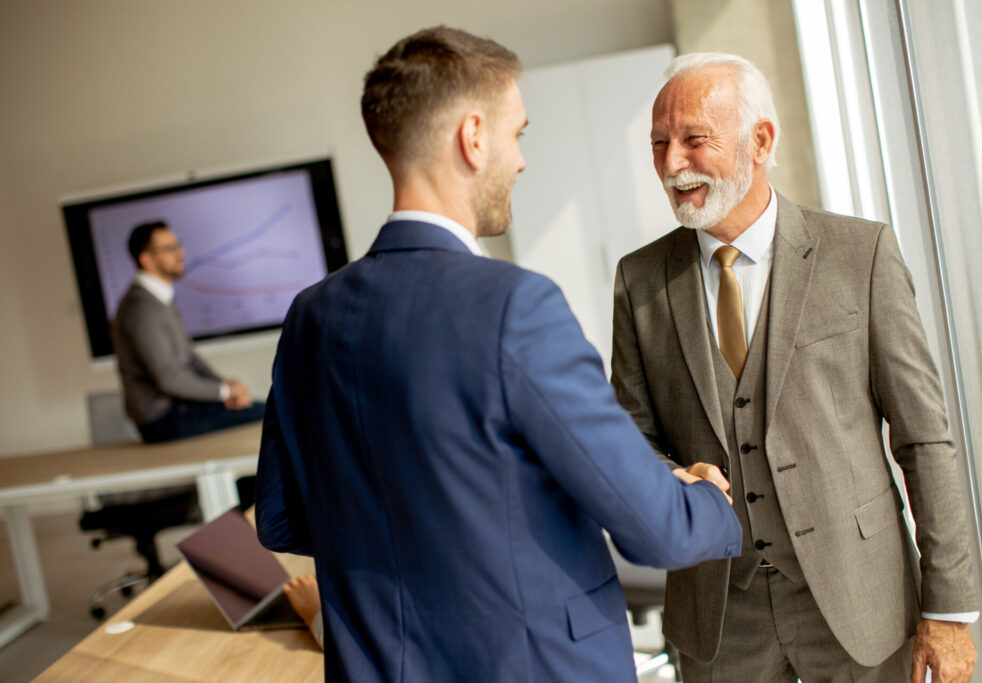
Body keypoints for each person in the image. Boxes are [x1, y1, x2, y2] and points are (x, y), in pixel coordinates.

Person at [255, 26, 741, 682]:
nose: (521, 161)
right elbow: (657, 530)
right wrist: (706, 498)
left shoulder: (309, 316)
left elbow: (282, 519)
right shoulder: (516, 307)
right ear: (473, 137)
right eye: (518, 134)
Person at [611, 52, 979, 682]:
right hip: (719, 617)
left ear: (760, 142)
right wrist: (671, 476)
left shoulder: (860, 255)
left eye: (695, 140)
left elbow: (924, 438)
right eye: (659, 144)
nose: (672, 165)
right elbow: (626, 440)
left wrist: (948, 609)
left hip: (861, 601)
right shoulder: (639, 280)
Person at [112, 221, 265, 443]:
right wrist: (223, 392)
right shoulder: (141, 307)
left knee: (261, 409)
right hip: (163, 418)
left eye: (178, 245)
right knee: (267, 413)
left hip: (181, 407)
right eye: (169, 248)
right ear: (146, 260)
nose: (180, 253)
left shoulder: (160, 298)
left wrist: (227, 387)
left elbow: (190, 358)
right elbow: (169, 379)